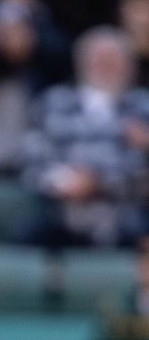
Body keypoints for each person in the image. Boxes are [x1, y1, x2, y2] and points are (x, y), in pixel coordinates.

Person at [15, 26, 149, 248]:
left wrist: (100, 182)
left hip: (126, 216)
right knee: (23, 237)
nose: (106, 66)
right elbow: (31, 159)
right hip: (61, 214)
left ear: (129, 65)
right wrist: (63, 181)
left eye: (114, 60)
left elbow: (142, 176)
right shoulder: (53, 102)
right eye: (99, 59)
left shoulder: (143, 107)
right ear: (82, 63)